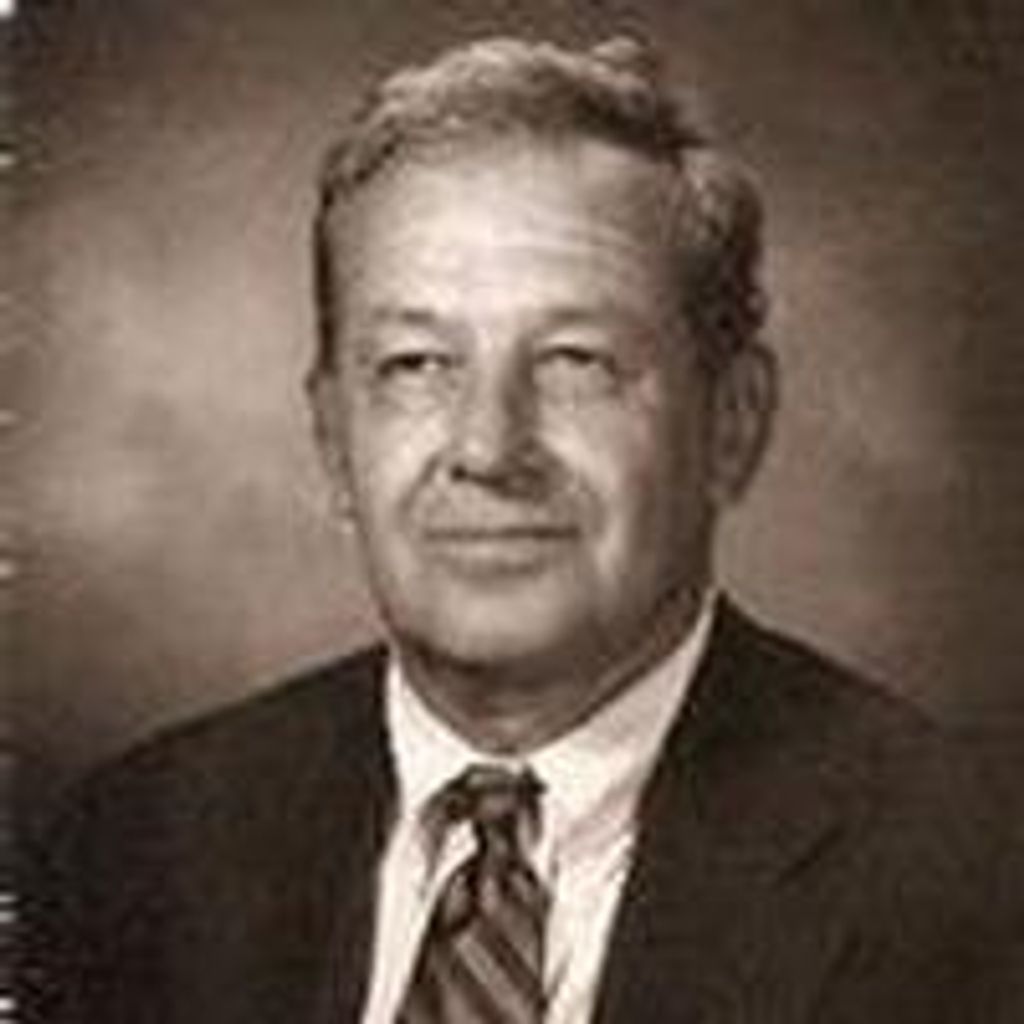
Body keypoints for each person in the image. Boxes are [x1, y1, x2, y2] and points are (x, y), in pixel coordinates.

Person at [27, 35, 1020, 1024]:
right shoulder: (133, 850)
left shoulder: (973, 869)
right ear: (333, 439)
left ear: (733, 421)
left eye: (576, 361)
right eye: (417, 365)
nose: (489, 448)